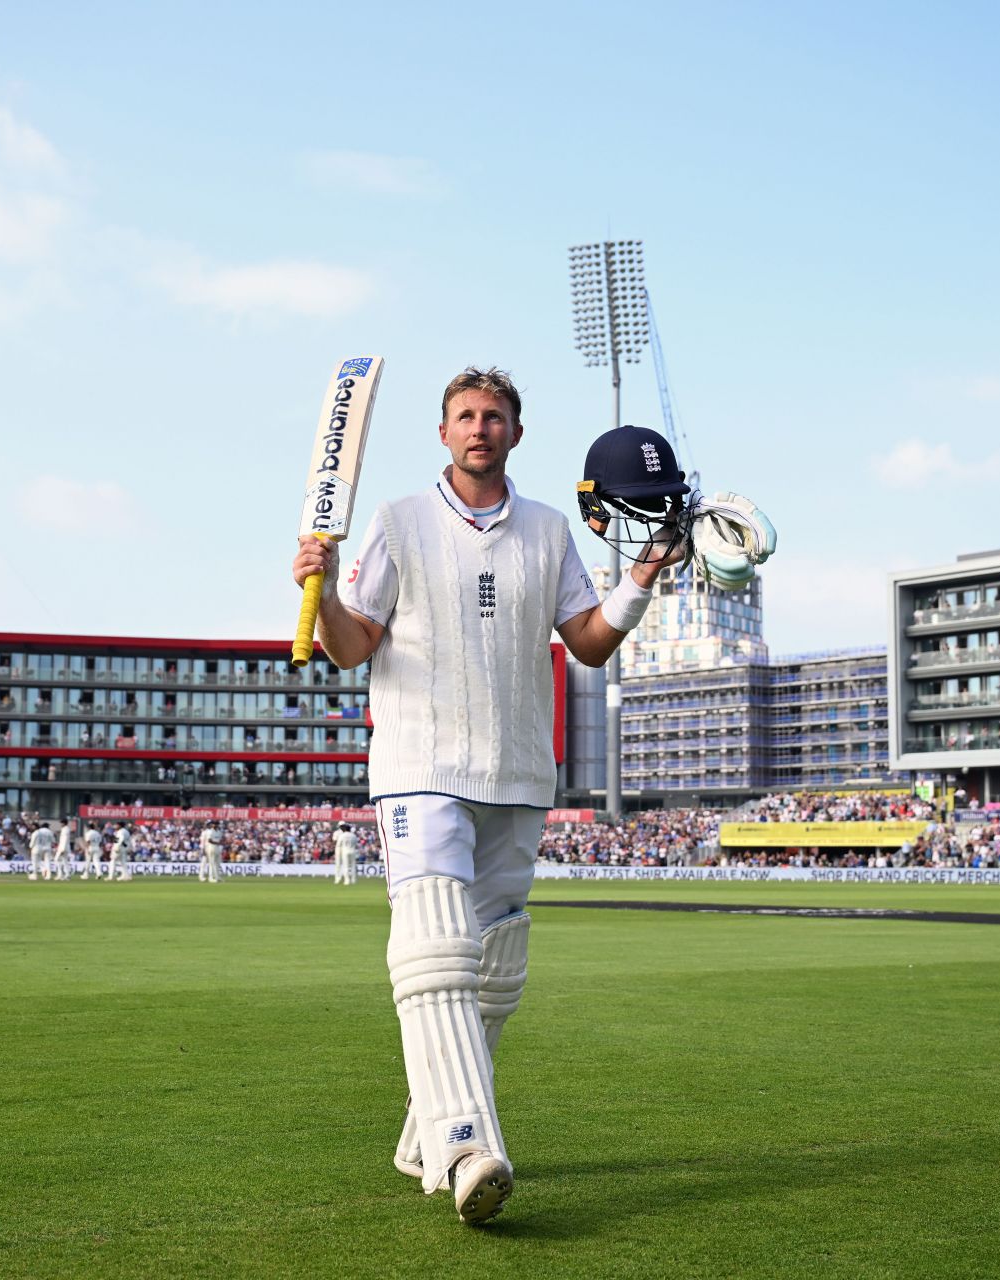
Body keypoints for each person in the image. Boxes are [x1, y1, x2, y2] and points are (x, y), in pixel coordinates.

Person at [289, 367, 681, 1223]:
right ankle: (467, 1143)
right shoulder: (396, 521)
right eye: (465, 416)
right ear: (443, 432)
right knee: (434, 953)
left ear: (515, 433)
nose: (480, 428)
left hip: (516, 776)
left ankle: (419, 1135)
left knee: (497, 969)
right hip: (419, 765)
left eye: (494, 416)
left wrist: (644, 573)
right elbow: (354, 649)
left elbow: (588, 644)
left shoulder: (545, 530)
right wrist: (318, 600)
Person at [333, 821, 358, 885]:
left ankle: (348, 880)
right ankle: (338, 879)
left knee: (346, 865)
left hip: (344, 849)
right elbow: (335, 841)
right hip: (340, 849)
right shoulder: (337, 833)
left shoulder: (344, 834)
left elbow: (338, 842)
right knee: (338, 865)